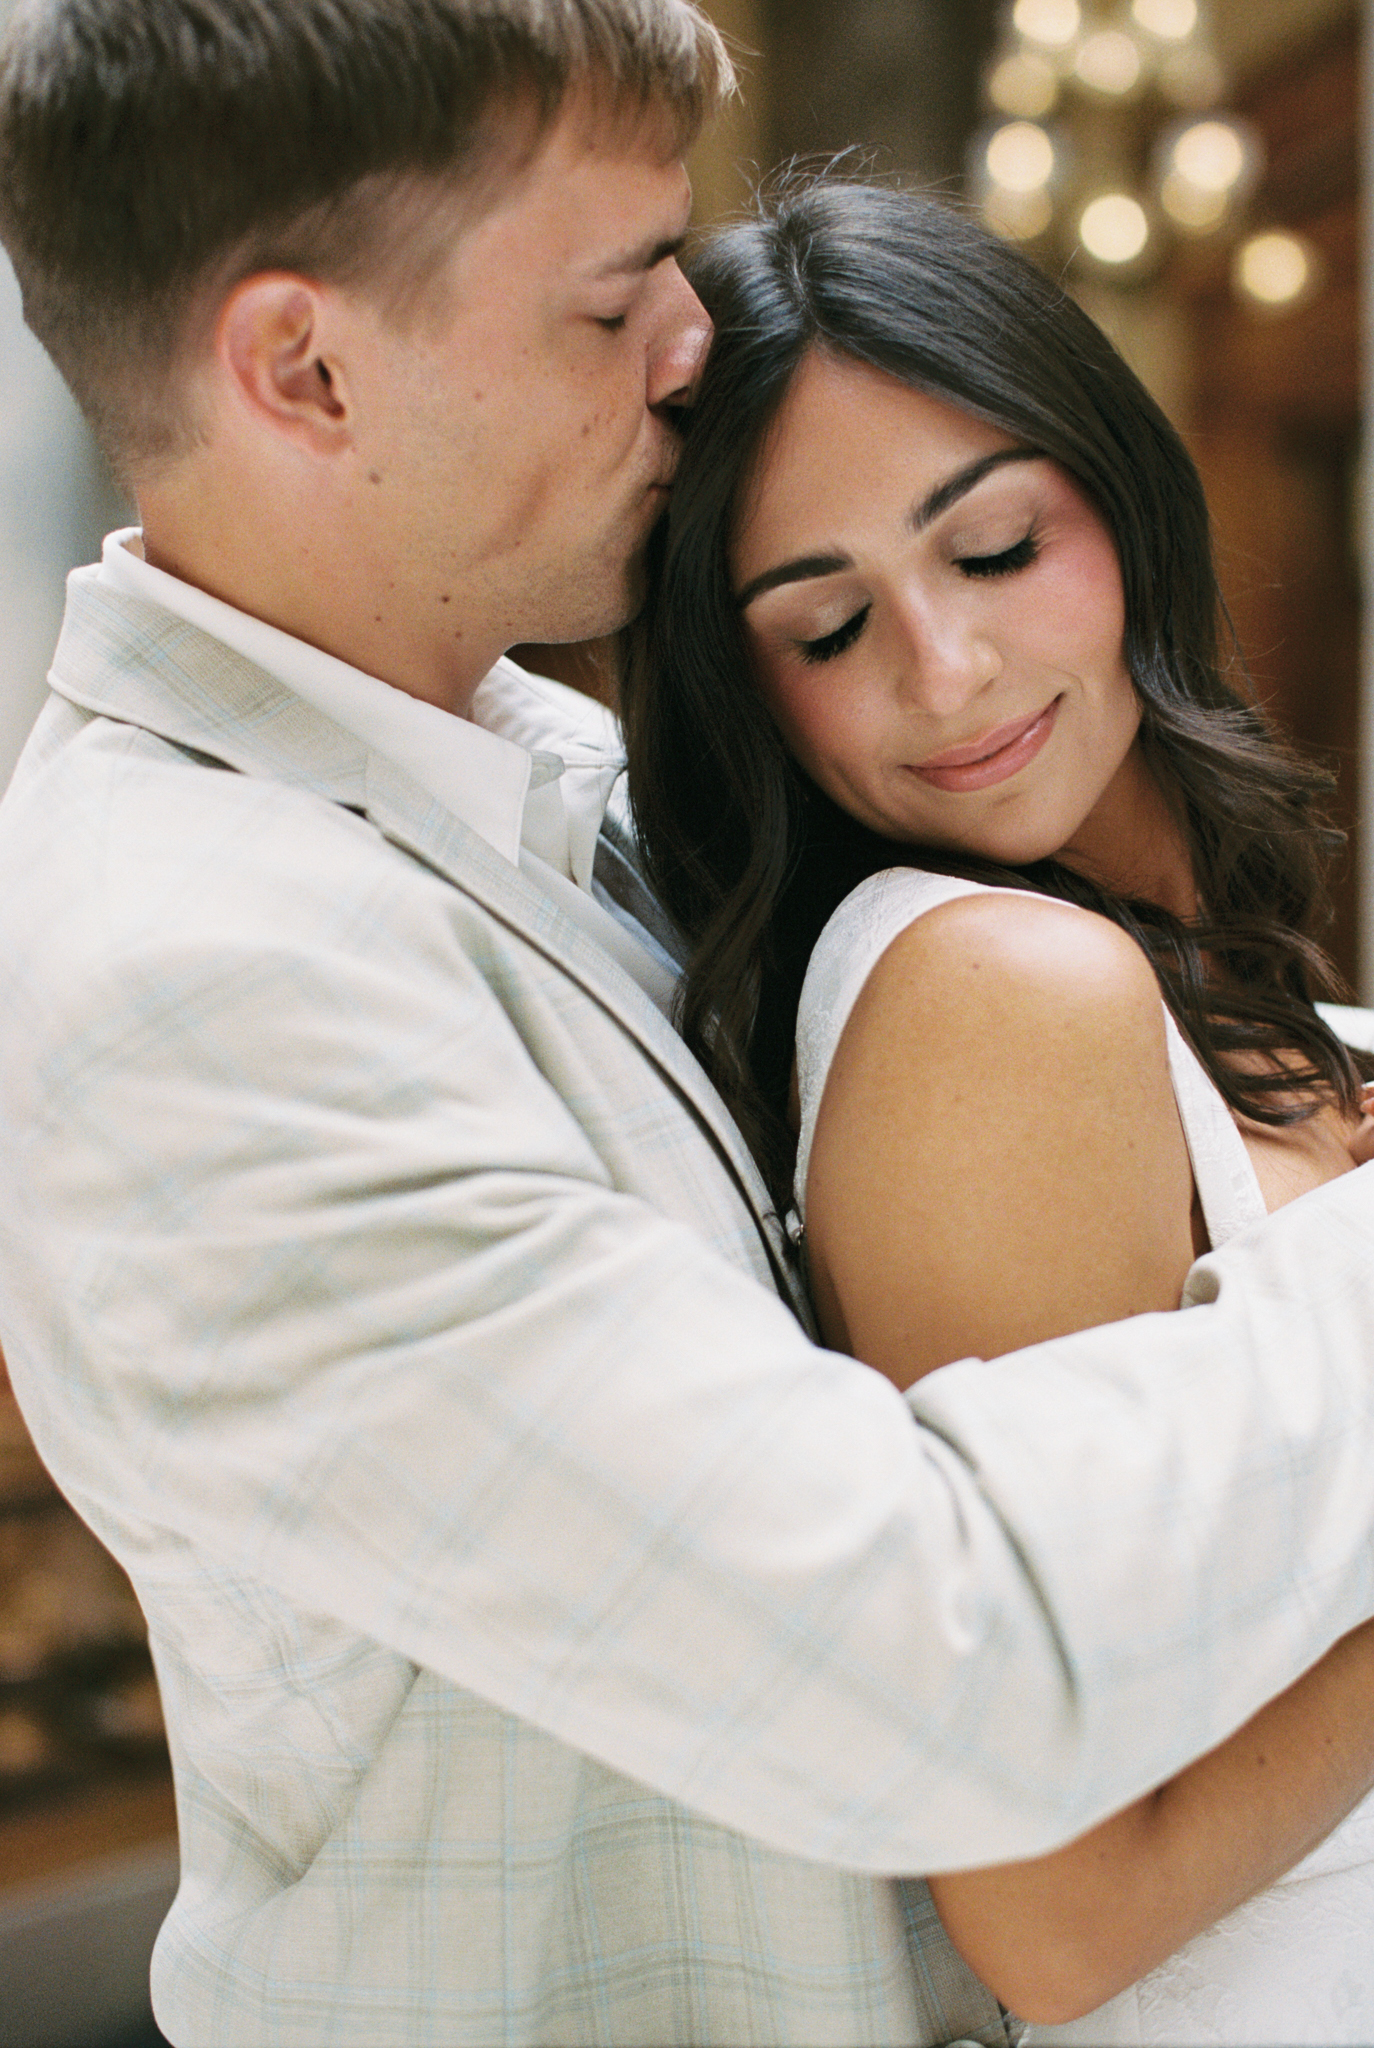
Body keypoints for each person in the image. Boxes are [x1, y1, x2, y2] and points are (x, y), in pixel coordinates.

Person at [2, 6, 1374, 2043]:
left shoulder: (536, 767)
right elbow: (929, 1672)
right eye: (617, 293)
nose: (685, 347)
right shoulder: (190, 978)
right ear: (304, 366)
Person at [622, 176, 1374, 2042]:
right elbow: (1051, 1911)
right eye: (823, 627)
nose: (942, 676)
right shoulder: (991, 1000)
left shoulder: (1205, 967)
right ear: (746, 692)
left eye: (991, 546)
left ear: (1117, 495)